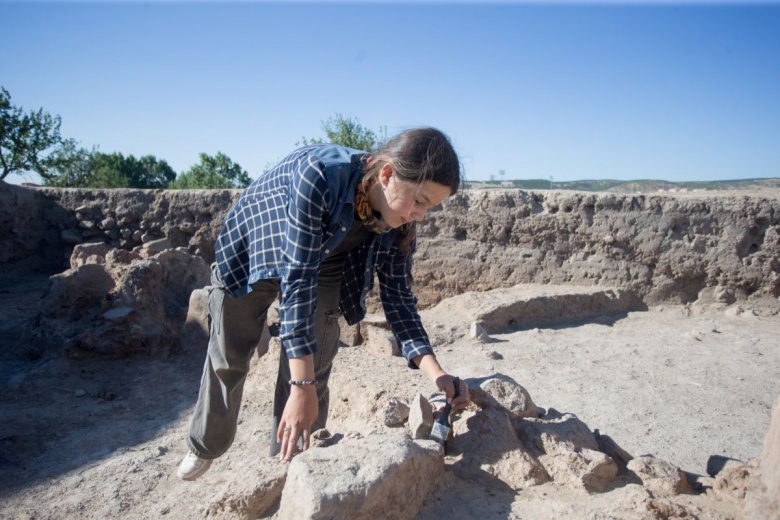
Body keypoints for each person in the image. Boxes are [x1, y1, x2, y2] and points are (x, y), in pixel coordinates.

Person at [177, 127, 471, 481]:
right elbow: (297, 283)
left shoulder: (397, 221)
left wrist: (437, 374)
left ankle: (293, 464)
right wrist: (303, 389)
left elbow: (399, 301)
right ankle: (205, 445)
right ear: (388, 174)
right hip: (252, 250)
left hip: (325, 257)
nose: (421, 215)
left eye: (431, 207)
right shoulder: (320, 175)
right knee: (231, 354)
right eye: (420, 200)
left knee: (313, 361)